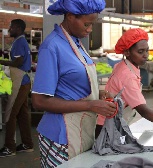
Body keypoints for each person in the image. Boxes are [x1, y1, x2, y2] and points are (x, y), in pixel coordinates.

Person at [31, 0, 116, 167]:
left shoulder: (76, 43)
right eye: (87, 24)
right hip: (60, 136)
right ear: (70, 16)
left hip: (81, 128)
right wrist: (90, 105)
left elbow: (71, 87)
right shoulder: (52, 46)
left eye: (92, 24)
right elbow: (39, 101)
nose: (90, 30)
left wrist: (98, 94)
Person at [0, 19, 34, 157]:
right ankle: (27, 144)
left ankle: (9, 147)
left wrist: (1, 61)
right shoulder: (20, 41)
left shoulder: (20, 42)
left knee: (10, 113)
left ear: (18, 28)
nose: (9, 29)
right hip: (24, 82)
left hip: (20, 82)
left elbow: (18, 62)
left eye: (11, 27)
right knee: (22, 114)